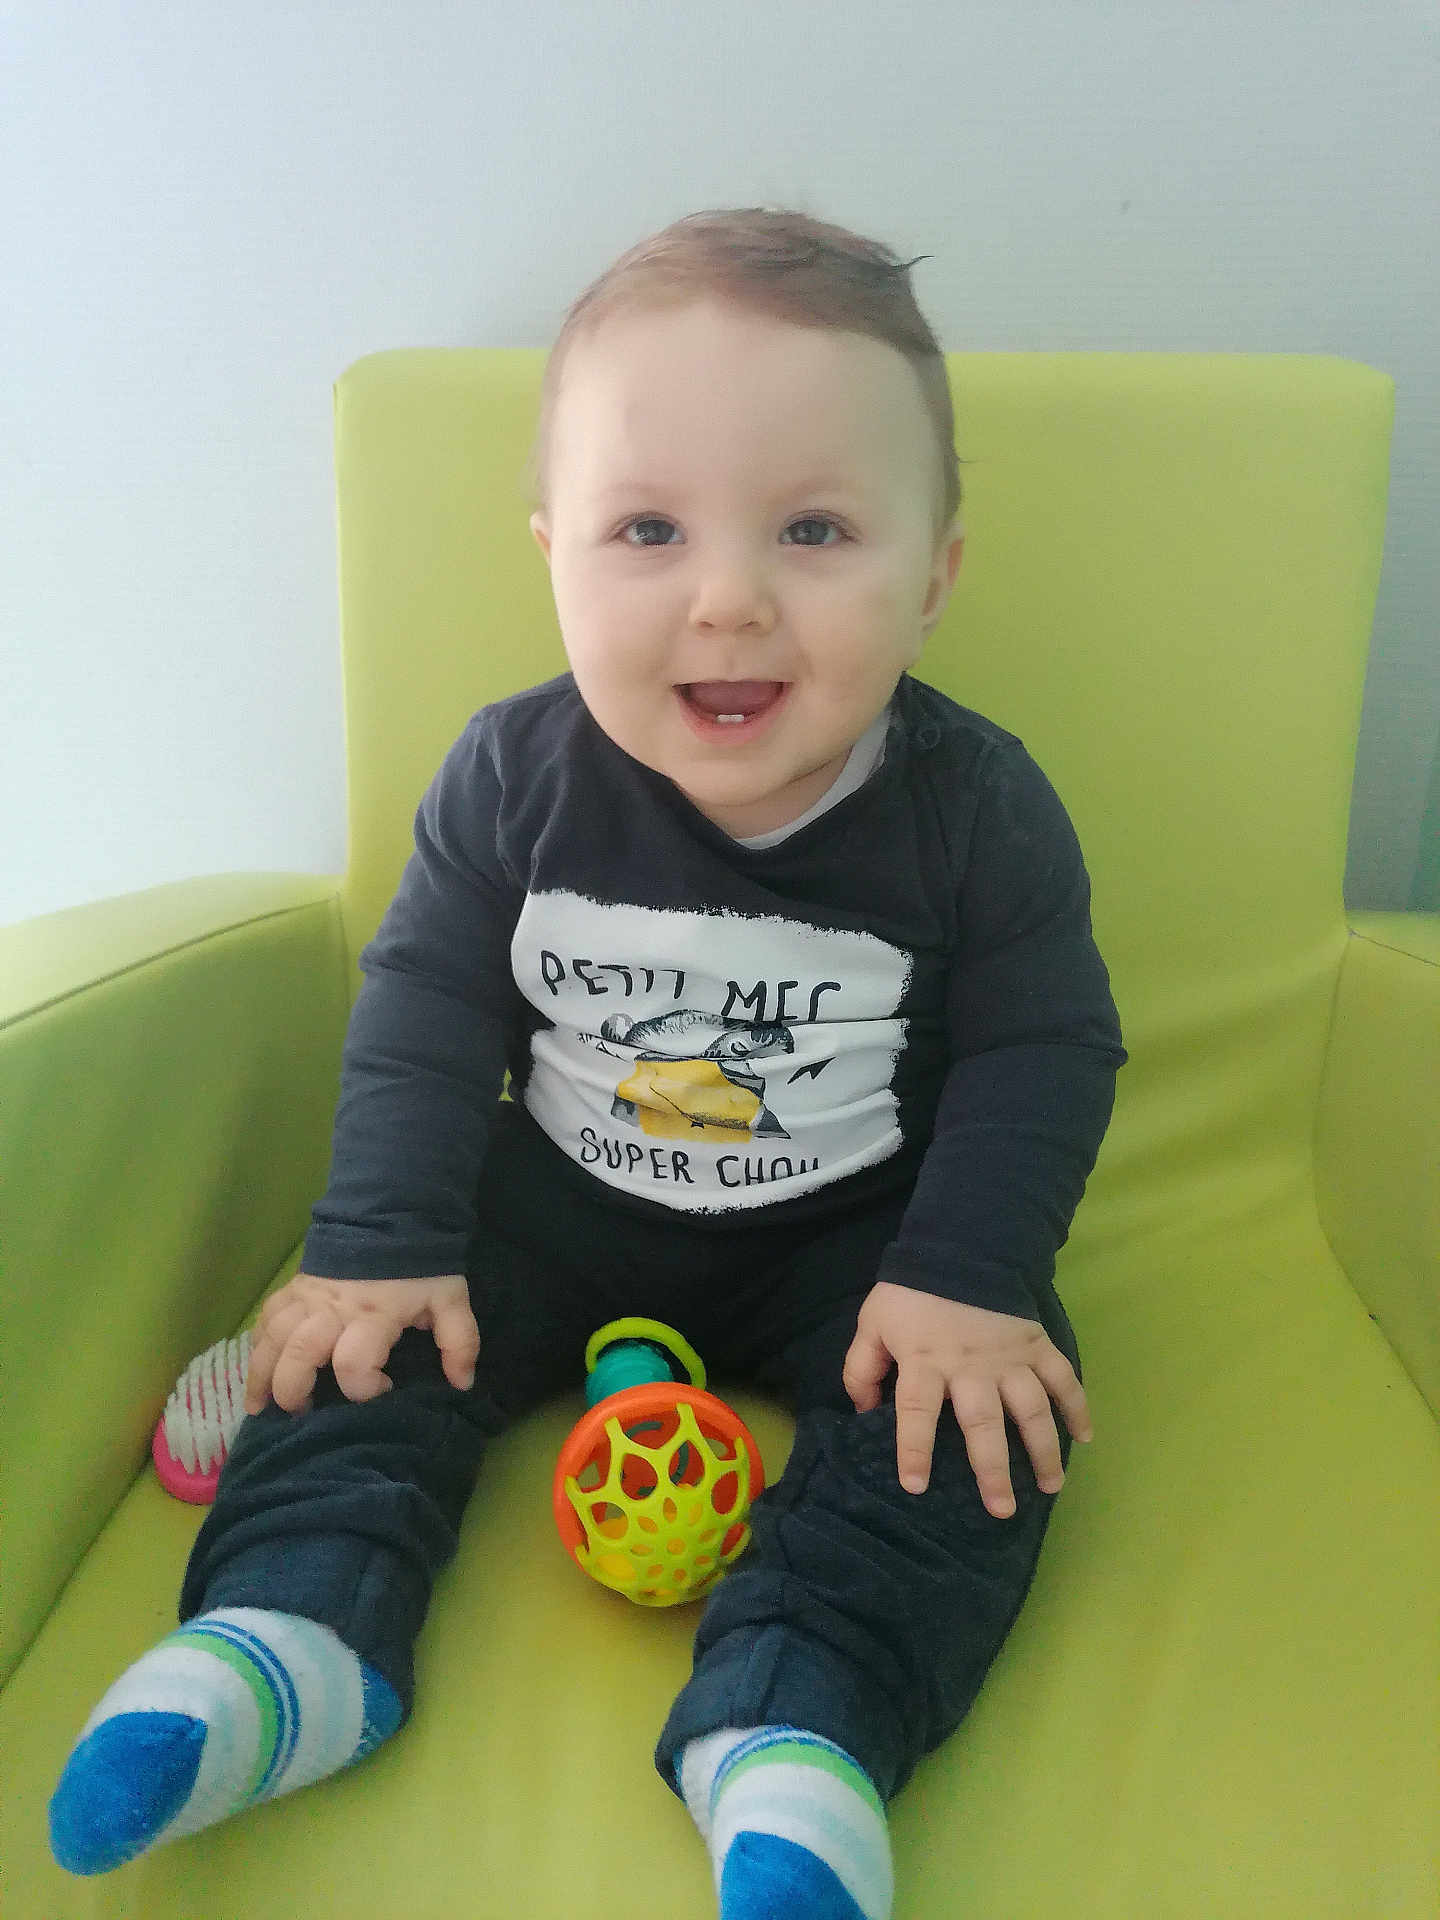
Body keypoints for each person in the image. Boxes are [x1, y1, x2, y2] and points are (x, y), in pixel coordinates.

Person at [49, 207, 1126, 1919]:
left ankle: (799, 1727)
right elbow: (425, 1007)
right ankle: (286, 1641)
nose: (729, 599)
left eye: (816, 530)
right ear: (554, 554)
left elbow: (1044, 1044)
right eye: (647, 529)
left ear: (933, 575)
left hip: (861, 1231)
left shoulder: (978, 810)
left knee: (980, 1426)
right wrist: (382, 1239)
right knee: (358, 1346)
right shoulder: (510, 779)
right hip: (552, 1199)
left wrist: (967, 1280)